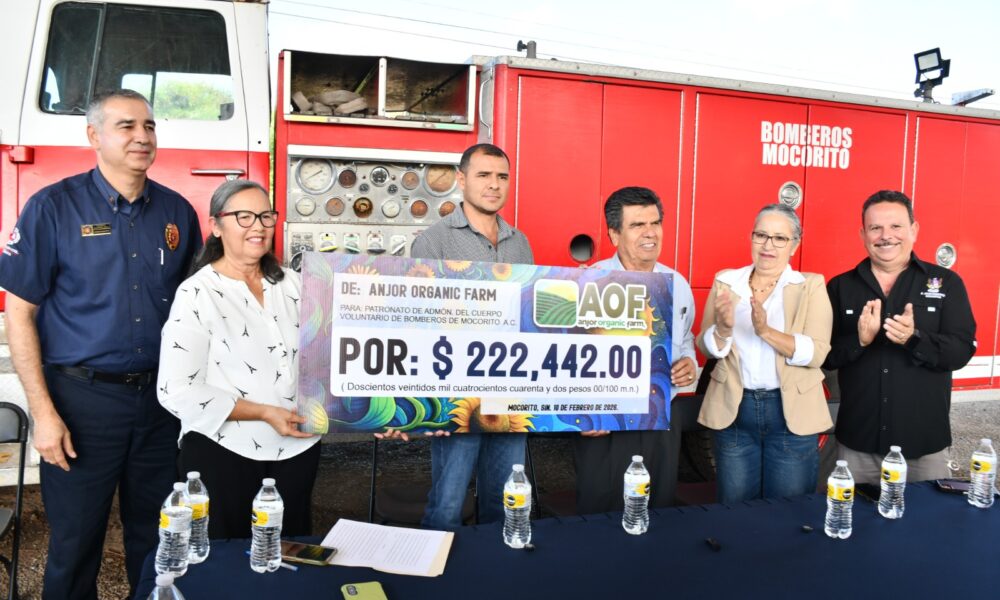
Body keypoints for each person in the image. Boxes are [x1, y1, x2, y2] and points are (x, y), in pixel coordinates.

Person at [0, 89, 201, 599]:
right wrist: (43, 414)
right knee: (74, 545)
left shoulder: (177, 212)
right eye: (126, 126)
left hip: (160, 403)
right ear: (94, 136)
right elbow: (19, 314)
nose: (142, 137)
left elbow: (197, 311)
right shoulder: (53, 208)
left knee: (160, 541)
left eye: (149, 126)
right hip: (81, 403)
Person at [379, 143, 534, 530]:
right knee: (448, 500)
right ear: (462, 180)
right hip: (454, 389)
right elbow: (416, 319)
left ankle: (499, 561)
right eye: (484, 175)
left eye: (502, 177)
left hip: (508, 387)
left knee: (507, 496)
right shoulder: (434, 241)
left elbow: (527, 312)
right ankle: (439, 564)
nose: (494, 184)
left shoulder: (520, 242)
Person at [158, 179, 320, 538]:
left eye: (265, 216)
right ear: (216, 226)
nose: (258, 226)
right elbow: (175, 390)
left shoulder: (298, 285)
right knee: (226, 556)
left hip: (299, 449)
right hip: (223, 451)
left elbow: (332, 357)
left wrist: (379, 410)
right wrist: (263, 412)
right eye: (243, 217)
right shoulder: (197, 293)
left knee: (286, 552)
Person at [824, 190, 976, 484]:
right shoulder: (840, 287)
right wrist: (859, 342)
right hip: (858, 445)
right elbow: (825, 356)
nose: (886, 236)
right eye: (875, 228)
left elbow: (960, 351)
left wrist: (913, 339)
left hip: (924, 446)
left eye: (896, 226)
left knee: (927, 515)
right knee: (853, 514)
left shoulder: (947, 283)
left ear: (914, 230)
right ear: (863, 234)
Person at [697, 204, 832, 504]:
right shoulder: (726, 282)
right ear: (751, 238)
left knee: (788, 511)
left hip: (790, 413)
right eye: (761, 235)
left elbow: (817, 353)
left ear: (794, 245)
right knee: (735, 509)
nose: (768, 245)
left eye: (779, 238)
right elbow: (704, 346)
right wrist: (722, 330)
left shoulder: (810, 286)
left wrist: (766, 331)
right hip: (734, 409)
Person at [572, 186, 697, 513]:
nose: (650, 232)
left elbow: (685, 339)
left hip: (661, 420)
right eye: (638, 225)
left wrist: (688, 362)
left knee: (658, 510)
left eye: (655, 223)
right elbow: (567, 357)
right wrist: (581, 411)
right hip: (604, 422)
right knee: (600, 514)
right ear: (614, 234)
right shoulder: (587, 282)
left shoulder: (678, 283)